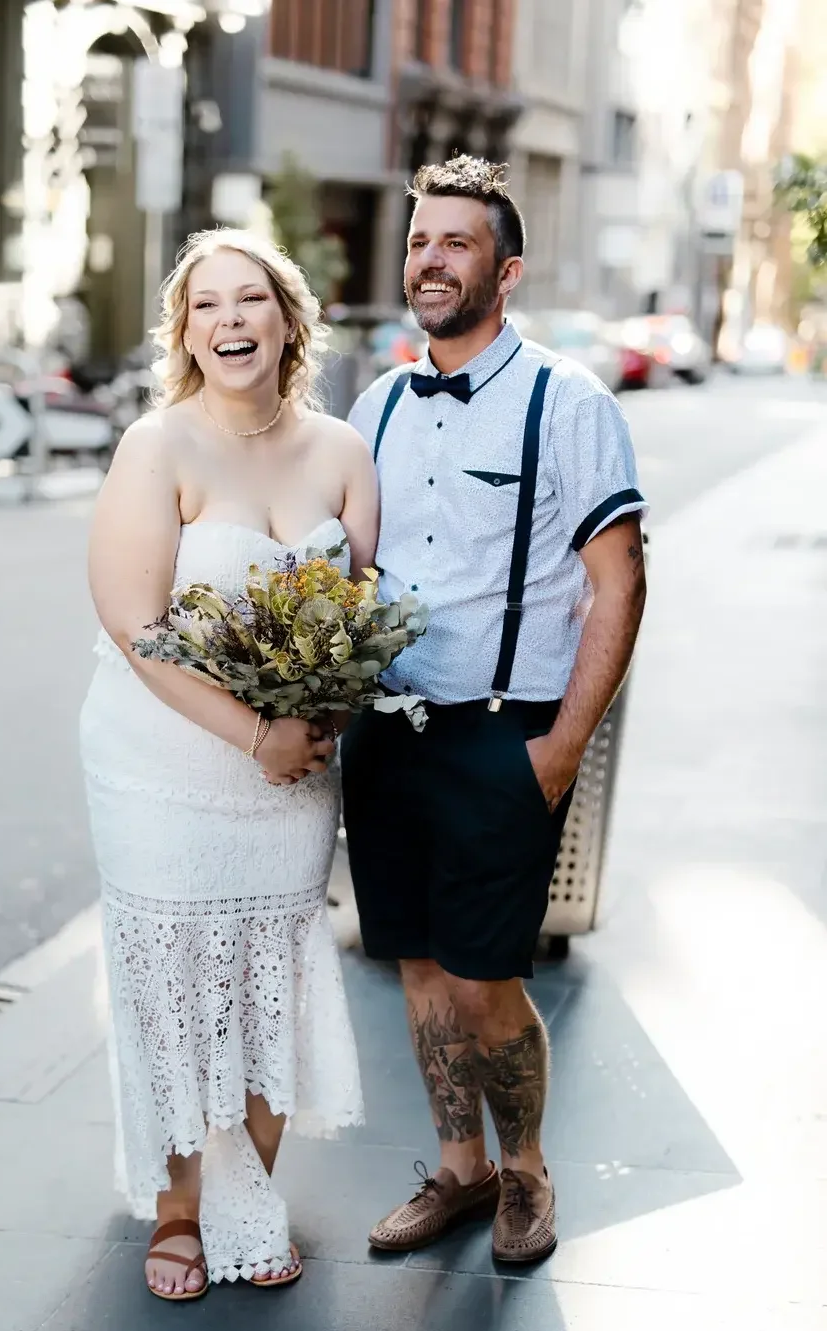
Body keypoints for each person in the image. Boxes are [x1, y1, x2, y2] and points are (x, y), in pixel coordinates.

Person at [343, 156, 648, 1264]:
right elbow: (350, 570)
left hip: (500, 733)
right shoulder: (375, 401)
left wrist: (562, 746)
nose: (430, 258)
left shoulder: (566, 404)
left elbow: (619, 581)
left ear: (505, 270)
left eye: (455, 243)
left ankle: (525, 1177)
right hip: (388, 731)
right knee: (419, 966)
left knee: (486, 981)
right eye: (419, 240)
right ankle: (458, 1171)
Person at [80, 229, 376, 1300]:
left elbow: (359, 611)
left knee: (270, 979)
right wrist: (254, 731)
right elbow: (134, 624)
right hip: (163, 764)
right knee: (174, 986)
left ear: (289, 320)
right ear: (185, 331)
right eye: (208, 307)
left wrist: (324, 713)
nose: (232, 322)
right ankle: (177, 1209)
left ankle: (247, 1193)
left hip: (292, 772)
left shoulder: (343, 451)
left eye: (252, 300)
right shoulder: (157, 447)